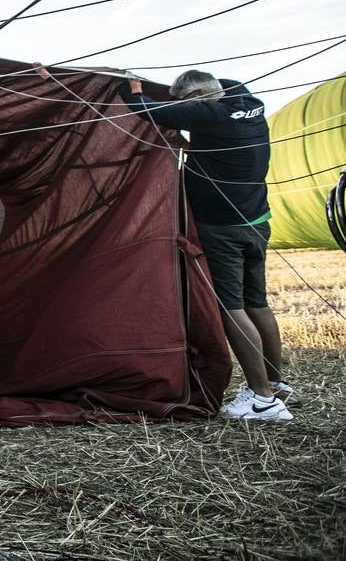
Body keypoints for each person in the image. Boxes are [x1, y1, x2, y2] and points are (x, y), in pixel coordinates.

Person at [120, 70, 292, 422]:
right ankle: (275, 381)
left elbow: (146, 109)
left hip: (223, 230)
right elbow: (223, 85)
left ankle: (263, 401)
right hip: (258, 223)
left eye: (185, 102)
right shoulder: (247, 103)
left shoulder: (209, 113)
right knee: (256, 302)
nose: (183, 109)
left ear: (199, 97)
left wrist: (131, 87)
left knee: (231, 308)